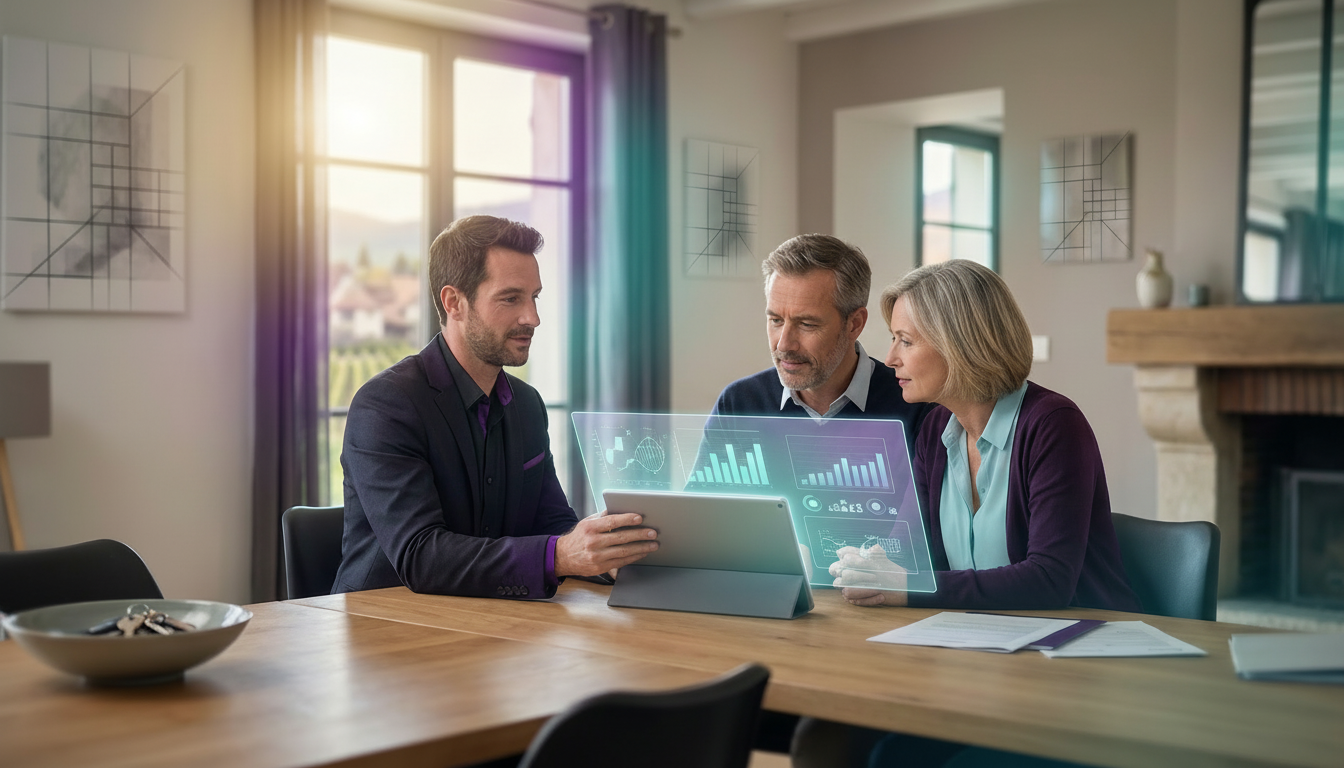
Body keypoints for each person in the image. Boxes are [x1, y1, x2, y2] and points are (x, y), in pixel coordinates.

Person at [332, 215, 658, 599]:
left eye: (534, 297)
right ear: (454, 303)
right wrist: (560, 556)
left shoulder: (527, 405)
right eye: (510, 298)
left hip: (490, 618)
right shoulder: (385, 406)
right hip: (384, 621)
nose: (532, 318)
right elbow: (421, 556)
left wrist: (607, 555)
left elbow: (552, 522)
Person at [829, 258, 1139, 612]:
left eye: (906, 341)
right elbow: (906, 553)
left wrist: (912, 586)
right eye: (893, 339)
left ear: (960, 344)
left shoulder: (1054, 425)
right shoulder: (934, 429)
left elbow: (1049, 581)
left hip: (1086, 633)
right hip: (976, 634)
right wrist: (864, 565)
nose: (890, 358)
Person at [711, 233, 927, 440]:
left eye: (806, 324)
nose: (784, 344)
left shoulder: (918, 408)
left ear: (854, 324)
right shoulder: (736, 404)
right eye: (776, 320)